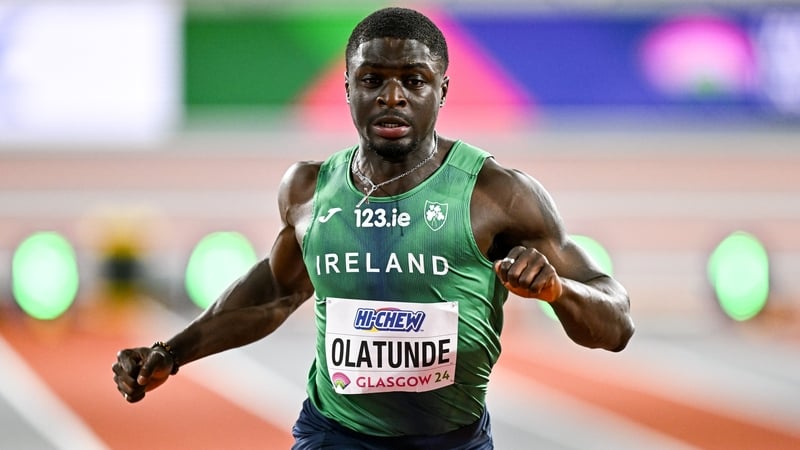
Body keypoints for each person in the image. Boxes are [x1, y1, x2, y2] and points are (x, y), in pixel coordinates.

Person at [113, 7, 634, 449]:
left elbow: (616, 326)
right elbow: (274, 292)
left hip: (450, 441)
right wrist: (171, 352)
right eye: (372, 80)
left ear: (442, 89)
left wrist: (557, 290)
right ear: (347, 88)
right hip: (334, 434)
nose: (391, 97)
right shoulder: (309, 190)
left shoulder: (496, 194)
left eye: (413, 80)